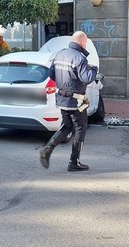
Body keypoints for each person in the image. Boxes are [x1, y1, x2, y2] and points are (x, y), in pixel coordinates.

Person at [39, 31, 98, 171]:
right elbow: (87, 78)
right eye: (85, 43)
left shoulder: (59, 54)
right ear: (82, 42)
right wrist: (94, 70)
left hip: (62, 99)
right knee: (80, 128)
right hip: (76, 101)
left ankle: (48, 147)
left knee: (67, 126)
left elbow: (51, 74)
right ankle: (74, 162)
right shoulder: (80, 58)